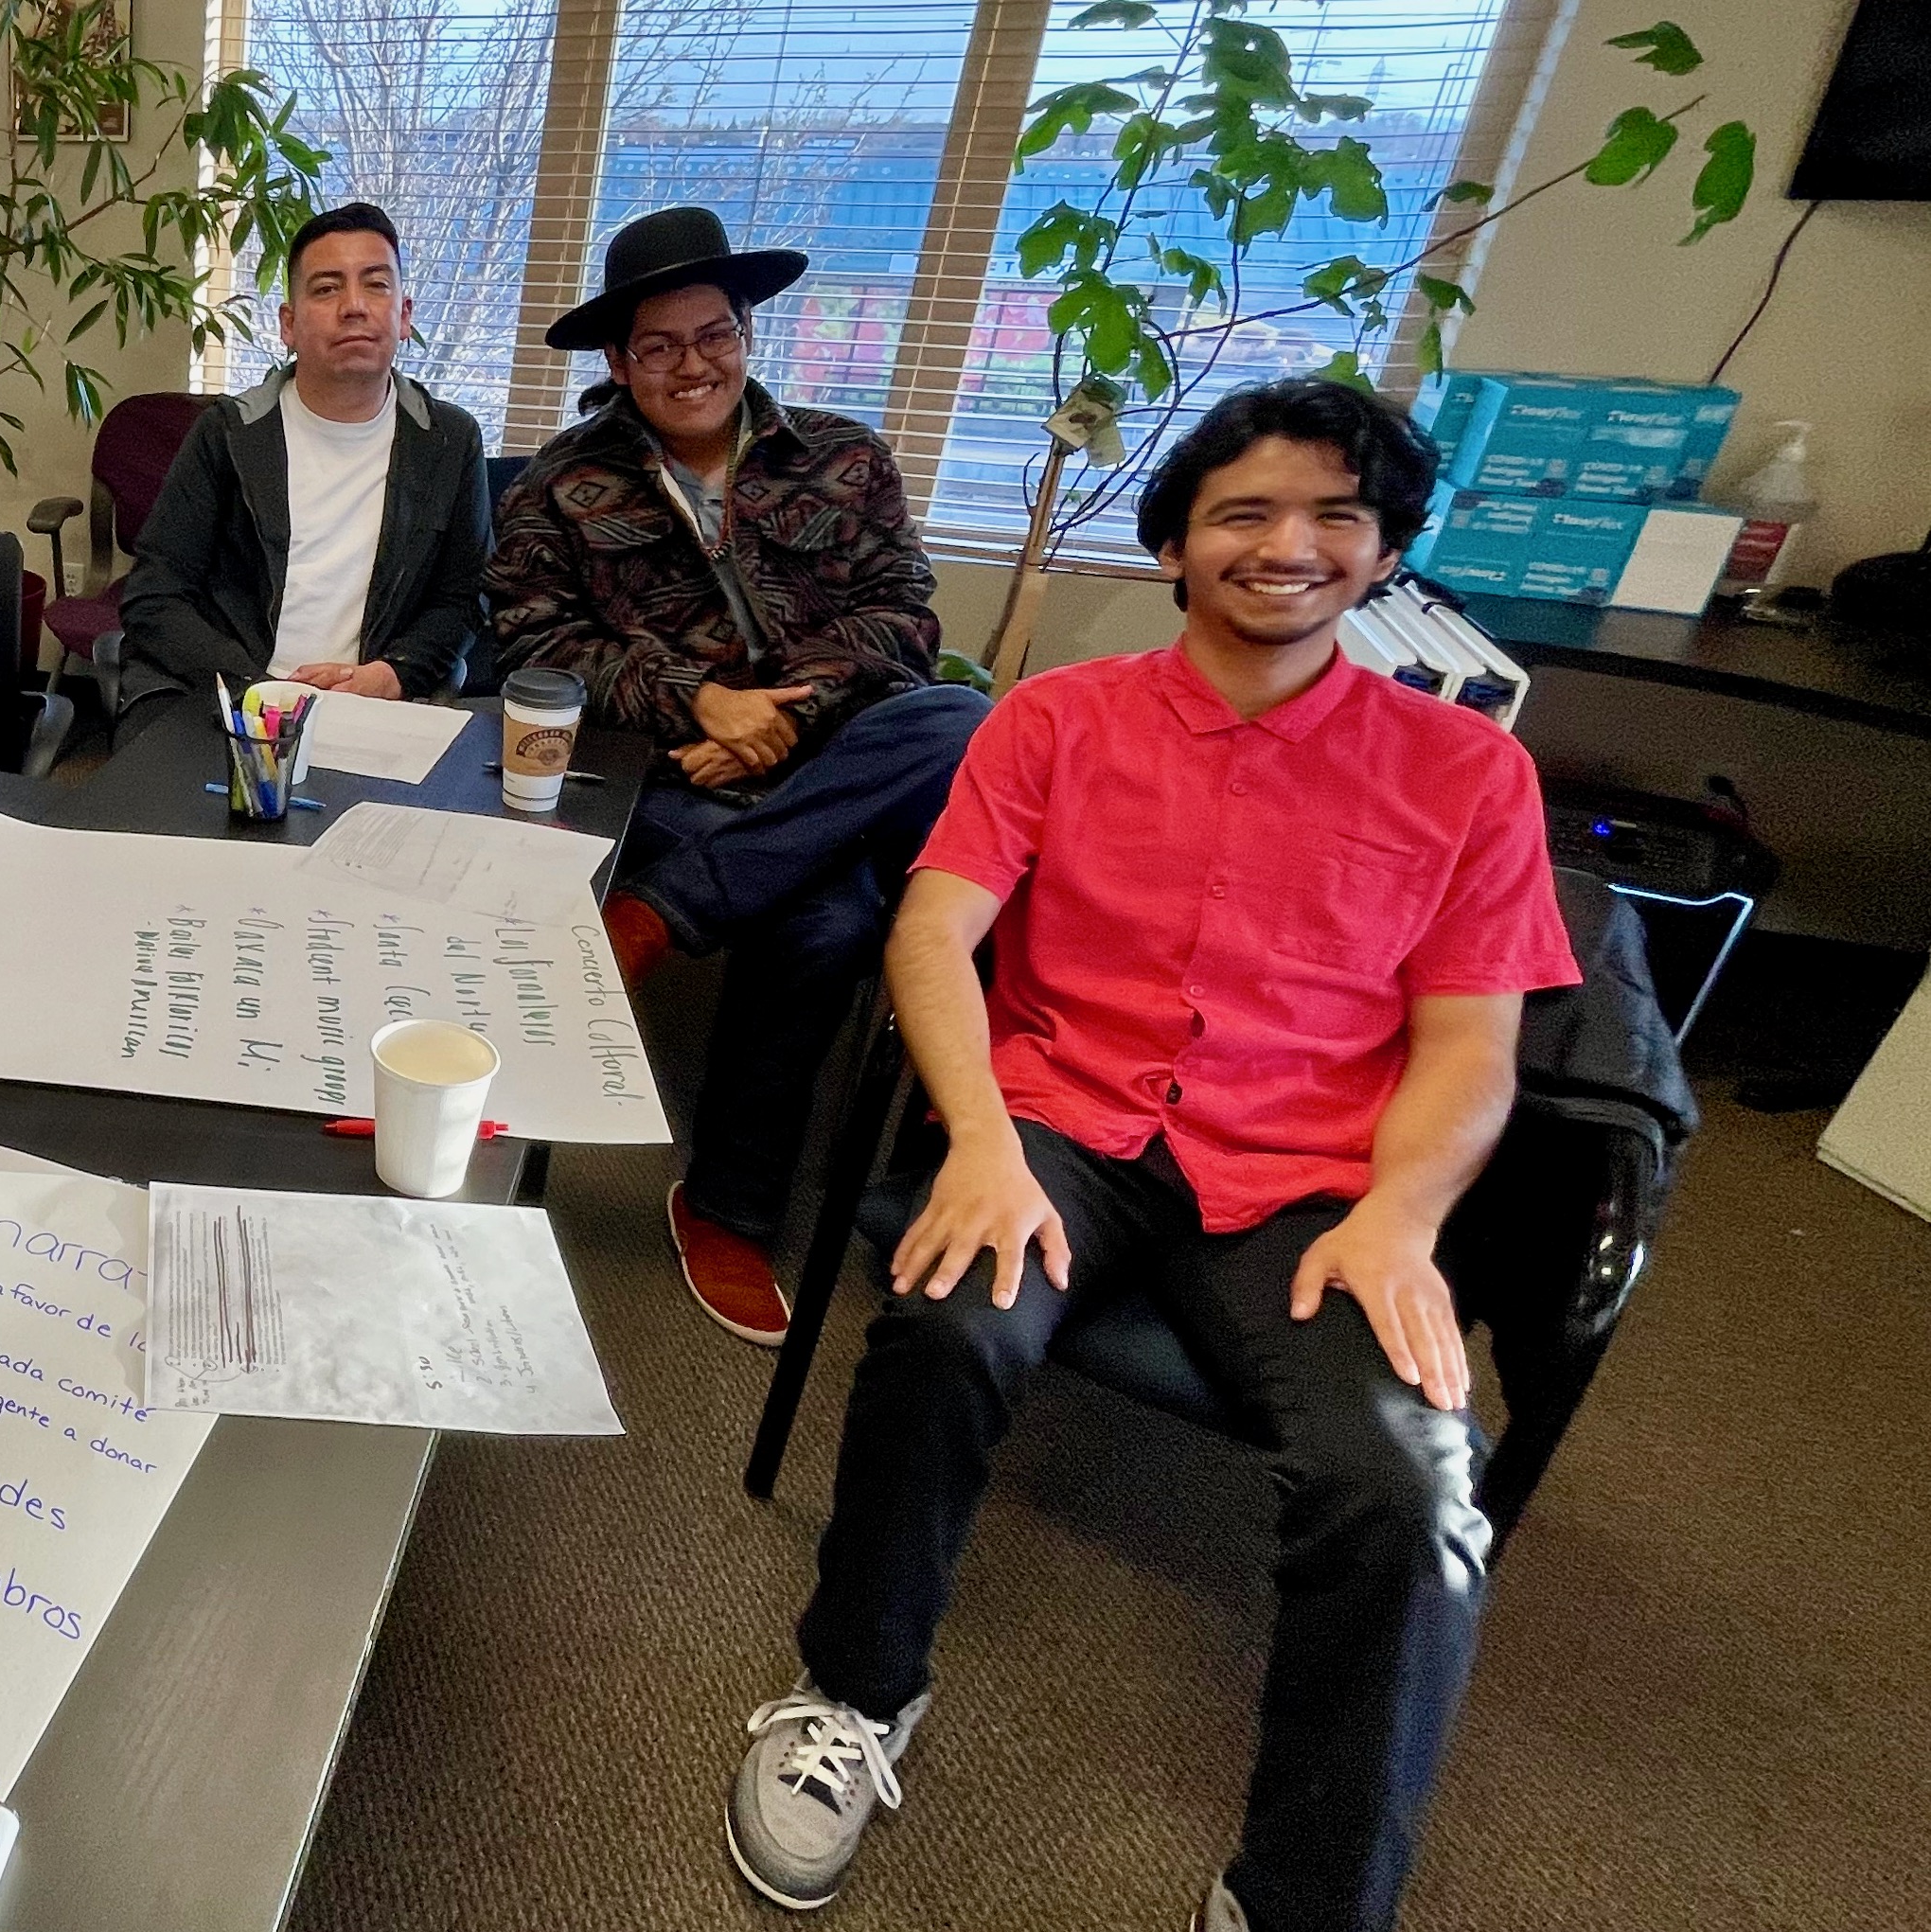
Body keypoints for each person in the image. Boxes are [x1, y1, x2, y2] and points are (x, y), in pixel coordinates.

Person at [725, 381, 1581, 1932]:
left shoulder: (1466, 776)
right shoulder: (1054, 721)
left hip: (1314, 1174)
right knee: (940, 1323)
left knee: (1407, 1492)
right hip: (1064, 1120)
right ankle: (853, 1690)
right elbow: (933, 929)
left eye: (1334, 514)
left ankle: (1304, 1893)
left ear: (1384, 554)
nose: (1288, 547)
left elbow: (1468, 1043)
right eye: (1242, 513)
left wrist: (1402, 1215)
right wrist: (976, 1136)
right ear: (1176, 545)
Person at [487, 204, 980, 1342]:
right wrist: (695, 700)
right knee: (823, 923)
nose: (690, 365)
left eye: (712, 336)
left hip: (835, 753)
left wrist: (783, 718)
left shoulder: (844, 455)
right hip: (671, 771)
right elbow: (533, 644)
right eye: (657, 347)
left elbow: (902, 619)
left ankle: (660, 917)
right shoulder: (557, 486)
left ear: (747, 335)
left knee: (958, 713)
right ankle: (726, 1208)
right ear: (617, 362)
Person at [111, 202, 487, 741]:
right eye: (327, 288)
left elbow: (463, 598)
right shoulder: (229, 434)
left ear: (404, 316)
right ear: (289, 324)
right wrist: (260, 691)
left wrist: (391, 675)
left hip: (377, 706)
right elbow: (155, 595)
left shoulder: (450, 441)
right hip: (222, 695)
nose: (354, 306)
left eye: (376, 285)